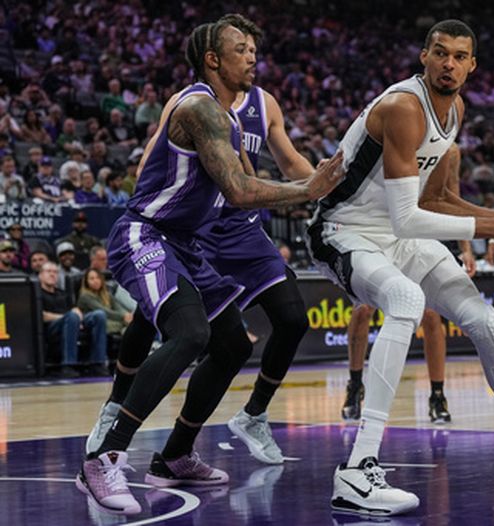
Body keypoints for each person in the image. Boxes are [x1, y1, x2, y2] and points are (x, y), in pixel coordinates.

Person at [306, 20, 494, 517]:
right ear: (424, 57)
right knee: (407, 301)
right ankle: (357, 468)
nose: (449, 63)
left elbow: (435, 198)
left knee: (488, 322)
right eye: (440, 53)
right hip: (343, 232)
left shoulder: (454, 110)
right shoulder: (403, 108)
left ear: (472, 65)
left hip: (396, 234)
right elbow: (407, 217)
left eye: (460, 56)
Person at [77, 18, 342, 516]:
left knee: (233, 343)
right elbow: (240, 191)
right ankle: (103, 455)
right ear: (212, 60)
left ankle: (175, 454)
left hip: (188, 243)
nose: (252, 57)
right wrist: (309, 189)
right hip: (147, 234)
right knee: (190, 333)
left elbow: (244, 186)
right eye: (241, 50)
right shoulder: (199, 107)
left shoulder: (232, 116)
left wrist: (320, 186)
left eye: (254, 49)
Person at [342, 144, 476, 424]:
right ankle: (355, 383)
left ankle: (437, 394)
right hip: (376, 229)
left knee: (430, 313)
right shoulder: (386, 133)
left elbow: (451, 196)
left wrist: (466, 247)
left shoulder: (449, 150)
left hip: (420, 232)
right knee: (363, 310)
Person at [39, 261, 108, 378]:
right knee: (72, 317)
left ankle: (98, 363)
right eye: (48, 272)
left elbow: (74, 308)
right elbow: (42, 315)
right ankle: (68, 365)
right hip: (51, 327)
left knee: (99, 315)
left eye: (55, 272)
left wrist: (77, 317)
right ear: (40, 275)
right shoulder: (38, 293)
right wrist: (70, 317)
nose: (52, 274)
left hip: (71, 321)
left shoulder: (62, 293)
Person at [77, 269, 133, 336]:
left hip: (114, 319)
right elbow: (104, 311)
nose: (96, 281)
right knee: (129, 325)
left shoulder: (106, 294)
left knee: (130, 326)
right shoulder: (85, 296)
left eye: (98, 278)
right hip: (99, 324)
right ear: (86, 282)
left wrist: (127, 314)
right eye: (92, 279)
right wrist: (124, 316)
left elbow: (117, 306)